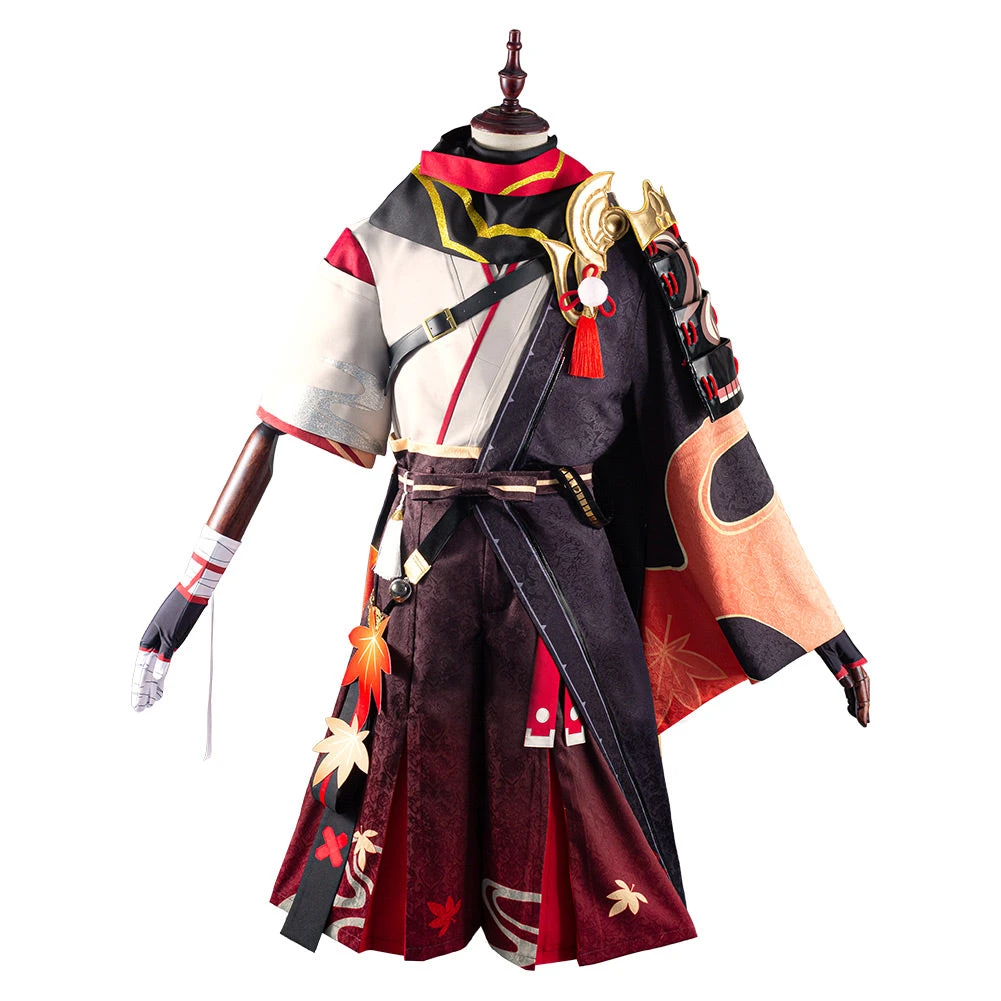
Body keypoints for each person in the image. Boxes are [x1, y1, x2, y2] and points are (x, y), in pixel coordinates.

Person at [132, 32, 869, 969]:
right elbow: (278, 426)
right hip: (425, 561)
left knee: (564, 757)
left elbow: (704, 442)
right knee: (403, 743)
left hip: (567, 566)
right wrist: (188, 593)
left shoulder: (624, 239)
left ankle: (540, 925)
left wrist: (819, 627)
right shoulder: (380, 238)